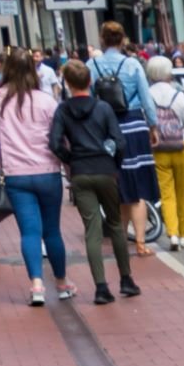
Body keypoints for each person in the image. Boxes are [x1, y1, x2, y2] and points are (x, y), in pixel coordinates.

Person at [0, 49, 68, 305]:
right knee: (53, 231)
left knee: (29, 231)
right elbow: (61, 138)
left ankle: (36, 284)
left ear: (6, 69)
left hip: (14, 175)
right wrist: (67, 169)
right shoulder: (46, 101)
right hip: (48, 172)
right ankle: (61, 282)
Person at [49, 60, 137, 304]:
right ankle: (126, 280)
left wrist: (71, 160)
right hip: (105, 169)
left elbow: (55, 143)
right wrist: (114, 164)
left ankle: (101, 287)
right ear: (90, 82)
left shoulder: (63, 110)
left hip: (80, 171)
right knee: (116, 224)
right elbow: (119, 142)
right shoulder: (103, 108)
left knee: (92, 229)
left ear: (67, 83)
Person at [93, 21, 159, 255]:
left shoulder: (92, 65)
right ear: (122, 40)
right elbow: (146, 98)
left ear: (102, 39)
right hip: (134, 125)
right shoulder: (132, 64)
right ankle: (140, 242)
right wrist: (153, 126)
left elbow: (89, 100)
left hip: (107, 128)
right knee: (138, 188)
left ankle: (120, 240)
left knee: (117, 186)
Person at [147, 56, 184, 249]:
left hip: (158, 148)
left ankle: (171, 233)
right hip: (181, 147)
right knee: (183, 193)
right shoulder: (179, 96)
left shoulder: (146, 96)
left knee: (166, 194)